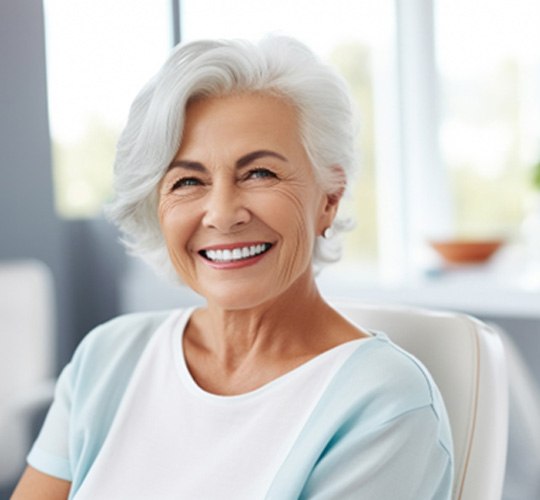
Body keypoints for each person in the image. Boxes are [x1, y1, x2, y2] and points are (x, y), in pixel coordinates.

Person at [13, 36, 453, 499]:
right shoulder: (106, 359)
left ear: (328, 198)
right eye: (188, 181)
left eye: (259, 173)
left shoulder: (384, 403)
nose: (222, 214)